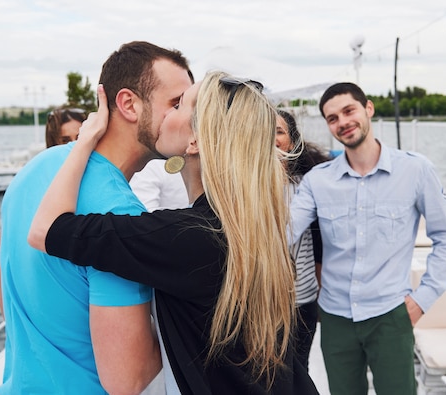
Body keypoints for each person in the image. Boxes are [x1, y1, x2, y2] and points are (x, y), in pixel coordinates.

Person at [27, 71, 320, 394]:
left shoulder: (187, 238)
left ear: (194, 140)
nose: (167, 112)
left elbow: (45, 230)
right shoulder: (248, 227)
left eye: (179, 105)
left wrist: (84, 142)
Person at [0, 41, 193, 394]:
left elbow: (0, 282)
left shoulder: (32, 171)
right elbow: (128, 381)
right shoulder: (118, 212)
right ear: (129, 104)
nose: (187, 117)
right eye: (176, 103)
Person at [288, 82, 446, 395]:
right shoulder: (318, 181)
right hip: (335, 317)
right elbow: (282, 233)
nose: (342, 122)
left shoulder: (416, 170)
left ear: (368, 108)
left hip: (391, 314)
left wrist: (422, 300)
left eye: (348, 111)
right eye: (332, 118)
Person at [276, 109, 330, 371]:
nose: (271, 139)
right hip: (260, 305)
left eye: (278, 132)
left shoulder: (308, 186)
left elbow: (320, 246)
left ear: (292, 142)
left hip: (302, 302)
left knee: (299, 372)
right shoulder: (242, 189)